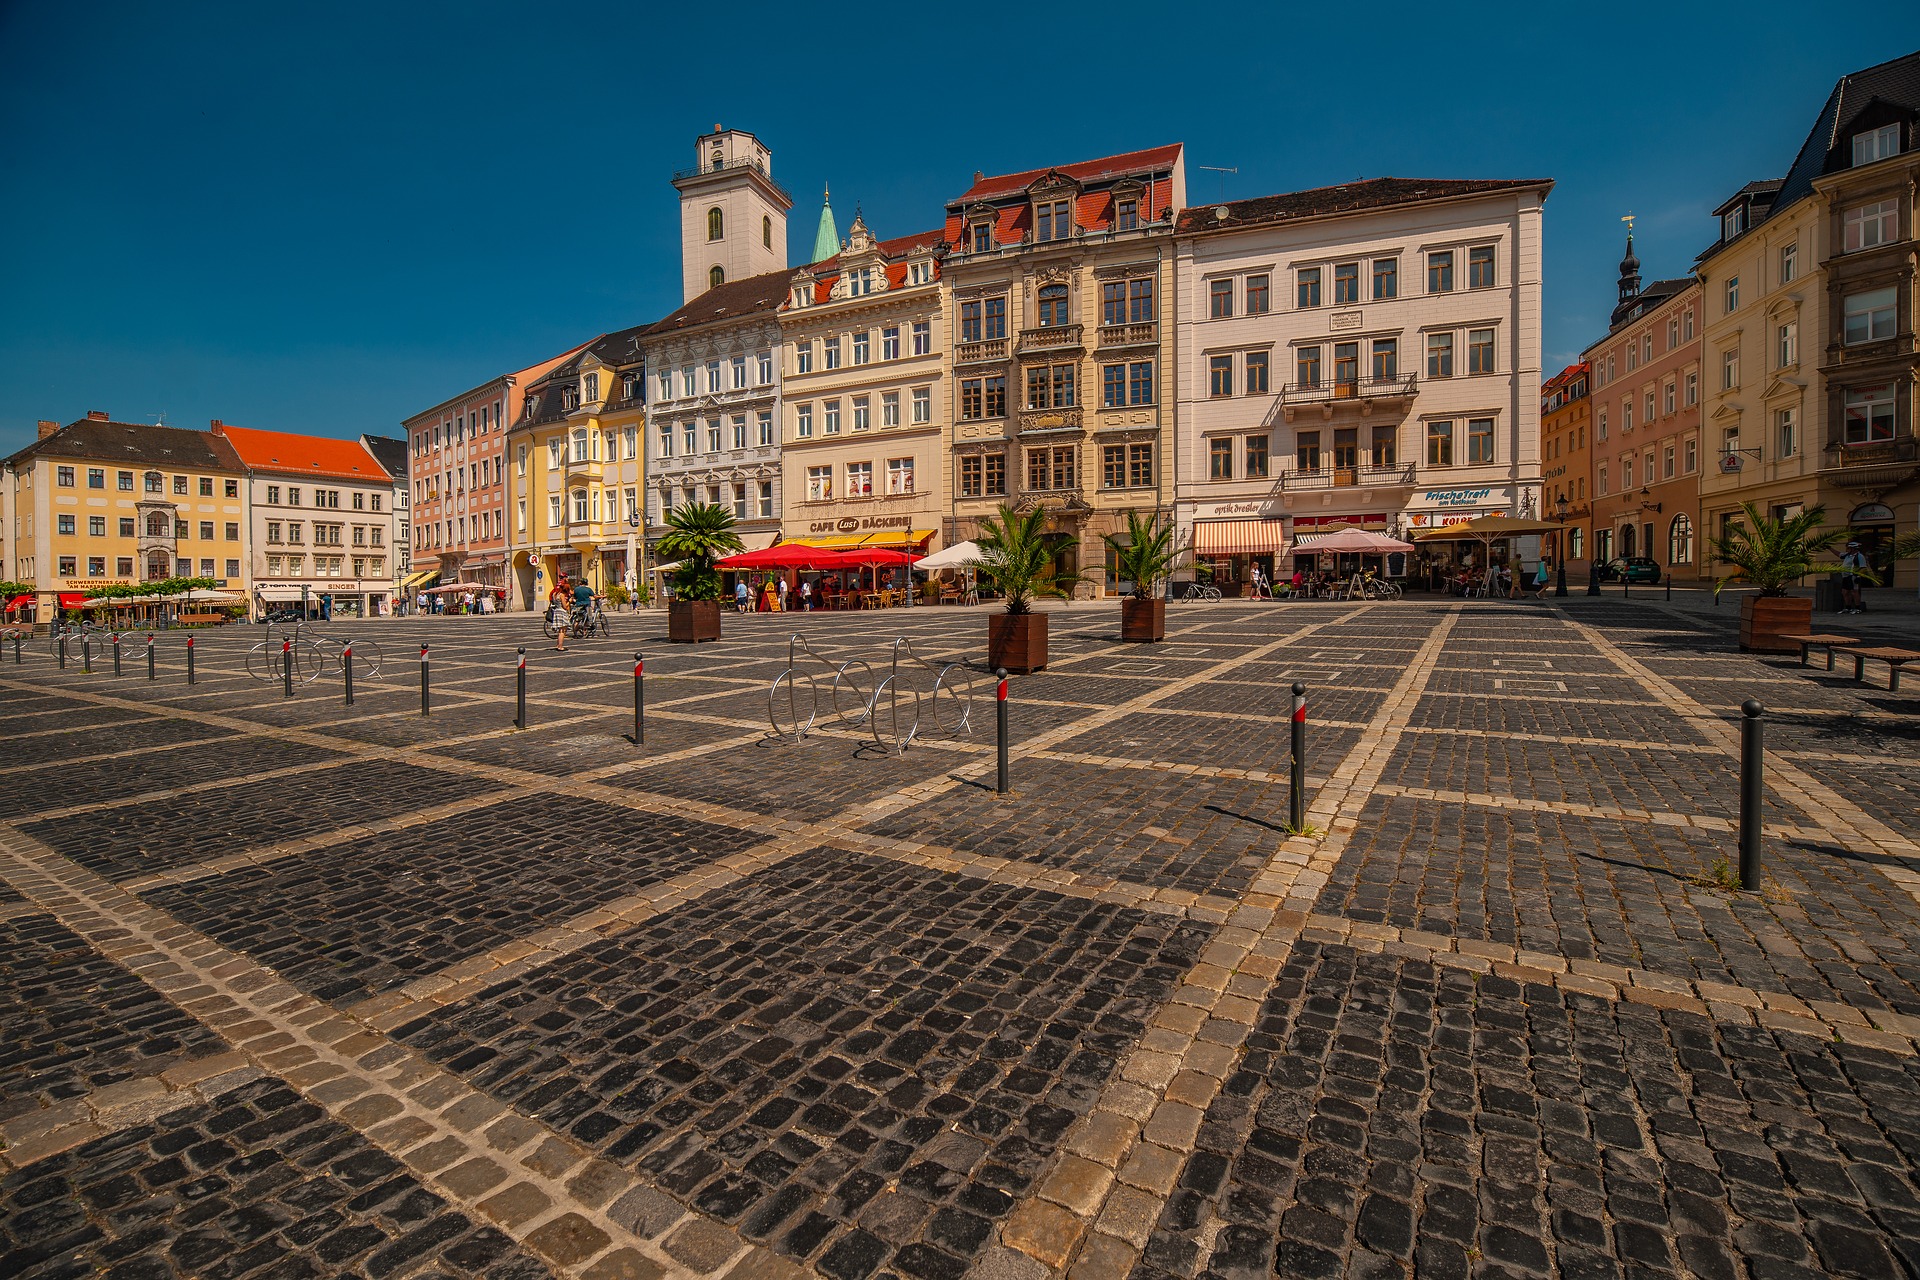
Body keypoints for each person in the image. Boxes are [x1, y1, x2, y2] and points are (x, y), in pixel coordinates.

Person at [1839, 542, 1868, 614]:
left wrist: (1858, 576)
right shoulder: (1847, 555)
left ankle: (1858, 608)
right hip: (1845, 576)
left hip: (1853, 576)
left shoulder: (1859, 556)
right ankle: (1848, 608)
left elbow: (1863, 567)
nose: (1847, 549)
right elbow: (1838, 554)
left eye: (1848, 548)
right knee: (1845, 592)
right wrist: (1829, 548)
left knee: (1854, 592)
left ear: (1853, 549)